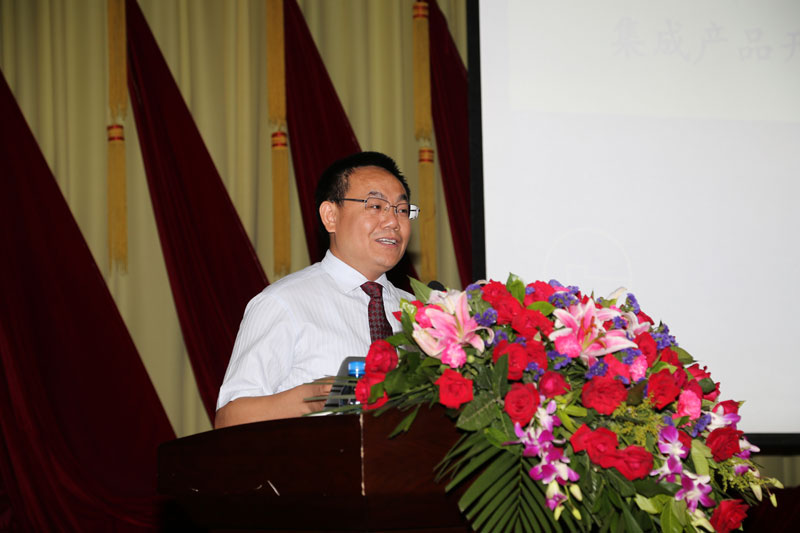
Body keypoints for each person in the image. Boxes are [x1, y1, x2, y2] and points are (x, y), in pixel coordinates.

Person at [215, 151, 417, 428]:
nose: (393, 221)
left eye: (402, 210)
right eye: (375, 206)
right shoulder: (283, 303)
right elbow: (229, 419)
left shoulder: (422, 314)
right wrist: (311, 399)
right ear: (330, 216)